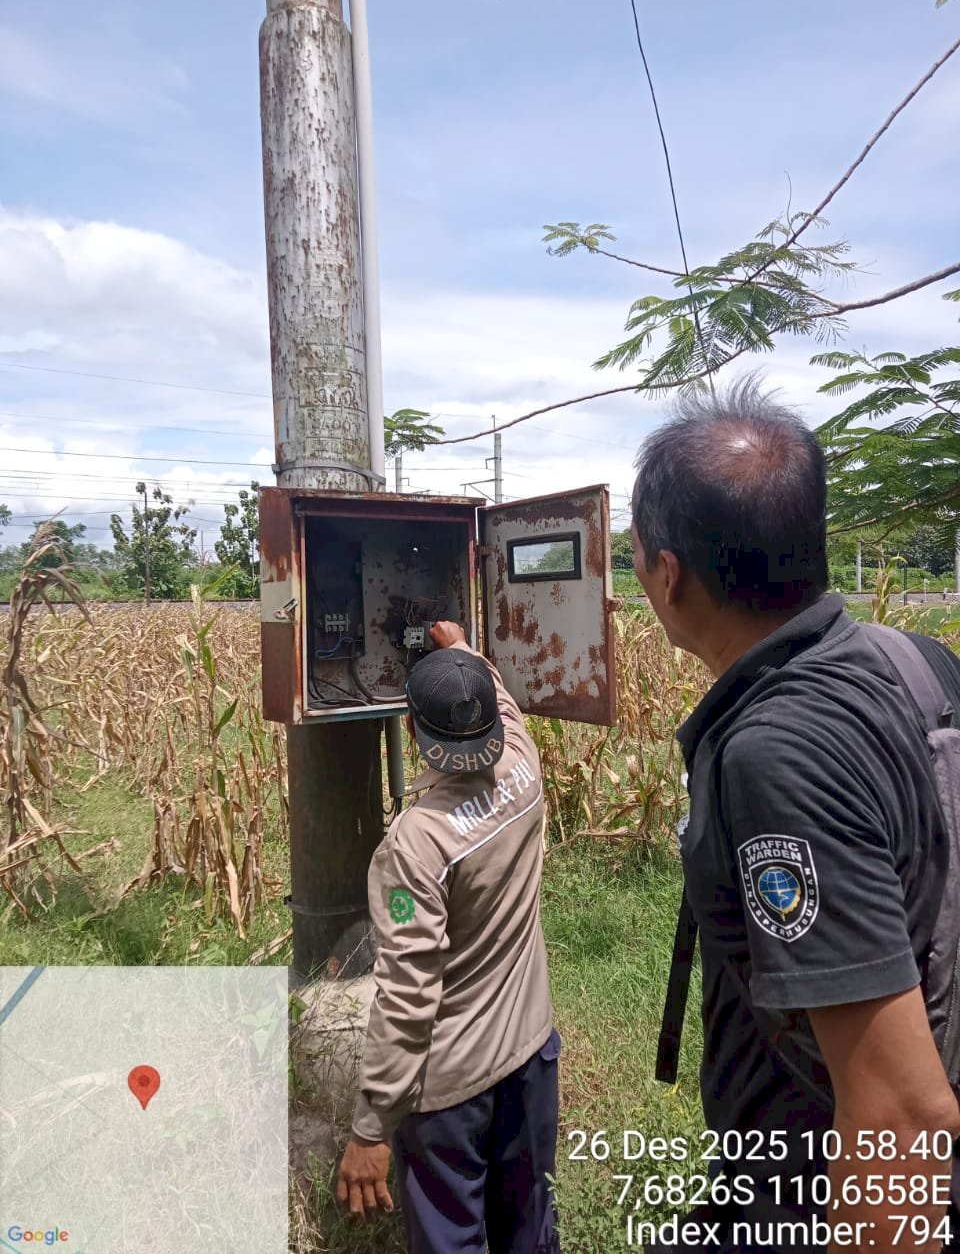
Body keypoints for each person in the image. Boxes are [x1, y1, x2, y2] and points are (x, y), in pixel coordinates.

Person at [630, 379, 960, 1253]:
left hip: (818, 1202)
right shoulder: (915, 661)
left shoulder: (777, 754)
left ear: (668, 575)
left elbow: (898, 1113)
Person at [336, 620, 561, 1254]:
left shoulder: (414, 850)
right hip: (532, 1056)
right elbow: (508, 707)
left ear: (411, 731)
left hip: (453, 1096)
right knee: (530, 1228)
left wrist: (372, 1127)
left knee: (453, 1239)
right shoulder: (523, 766)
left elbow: (407, 996)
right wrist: (463, 651)